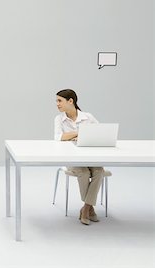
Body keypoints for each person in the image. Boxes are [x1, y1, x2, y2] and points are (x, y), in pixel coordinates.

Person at [54, 89, 104, 225]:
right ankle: (90, 209)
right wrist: (79, 132)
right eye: (56, 101)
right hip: (71, 158)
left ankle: (86, 208)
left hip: (91, 156)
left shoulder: (88, 117)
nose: (57, 104)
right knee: (84, 172)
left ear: (71, 101)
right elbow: (59, 138)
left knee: (99, 171)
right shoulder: (59, 119)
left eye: (60, 101)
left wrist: (71, 135)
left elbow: (100, 133)